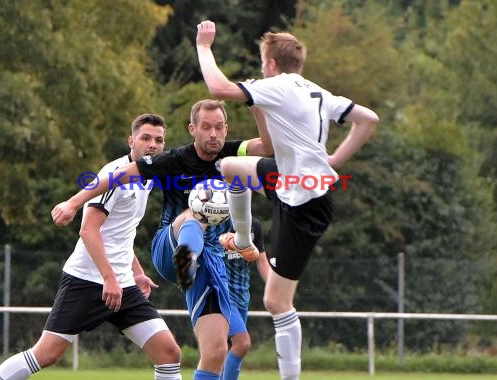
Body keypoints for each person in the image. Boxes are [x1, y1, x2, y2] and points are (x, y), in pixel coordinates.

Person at [195, 20, 380, 380]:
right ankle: (244, 242)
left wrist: (204, 46)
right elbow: (367, 119)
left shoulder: (276, 86)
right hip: (292, 183)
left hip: (304, 205)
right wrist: (335, 161)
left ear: (272, 64)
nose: (263, 68)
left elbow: (216, 86)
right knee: (230, 166)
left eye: (264, 61)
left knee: (276, 302)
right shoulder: (317, 91)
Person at [51, 99, 271, 380]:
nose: (213, 134)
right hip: (169, 248)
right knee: (196, 212)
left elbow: (266, 146)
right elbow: (117, 177)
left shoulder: (232, 154)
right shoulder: (174, 159)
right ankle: (187, 256)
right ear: (193, 129)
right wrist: (73, 202)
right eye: (206, 127)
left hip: (209, 261)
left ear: (226, 129)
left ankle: (193, 260)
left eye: (218, 127)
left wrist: (257, 107)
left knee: (216, 351)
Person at [0, 114, 183, 380]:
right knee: (45, 355)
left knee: (168, 353)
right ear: (131, 141)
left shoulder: (147, 176)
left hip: (122, 284)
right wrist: (109, 278)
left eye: (159, 140)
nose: (153, 144)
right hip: (88, 280)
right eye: (145, 138)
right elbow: (88, 230)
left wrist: (135, 272)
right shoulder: (115, 176)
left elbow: (119, 233)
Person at [220, 217, 269, 380]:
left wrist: (275, 288)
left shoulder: (254, 225)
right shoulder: (217, 222)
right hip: (222, 294)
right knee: (242, 343)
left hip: (242, 296)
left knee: (224, 350)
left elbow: (262, 261)